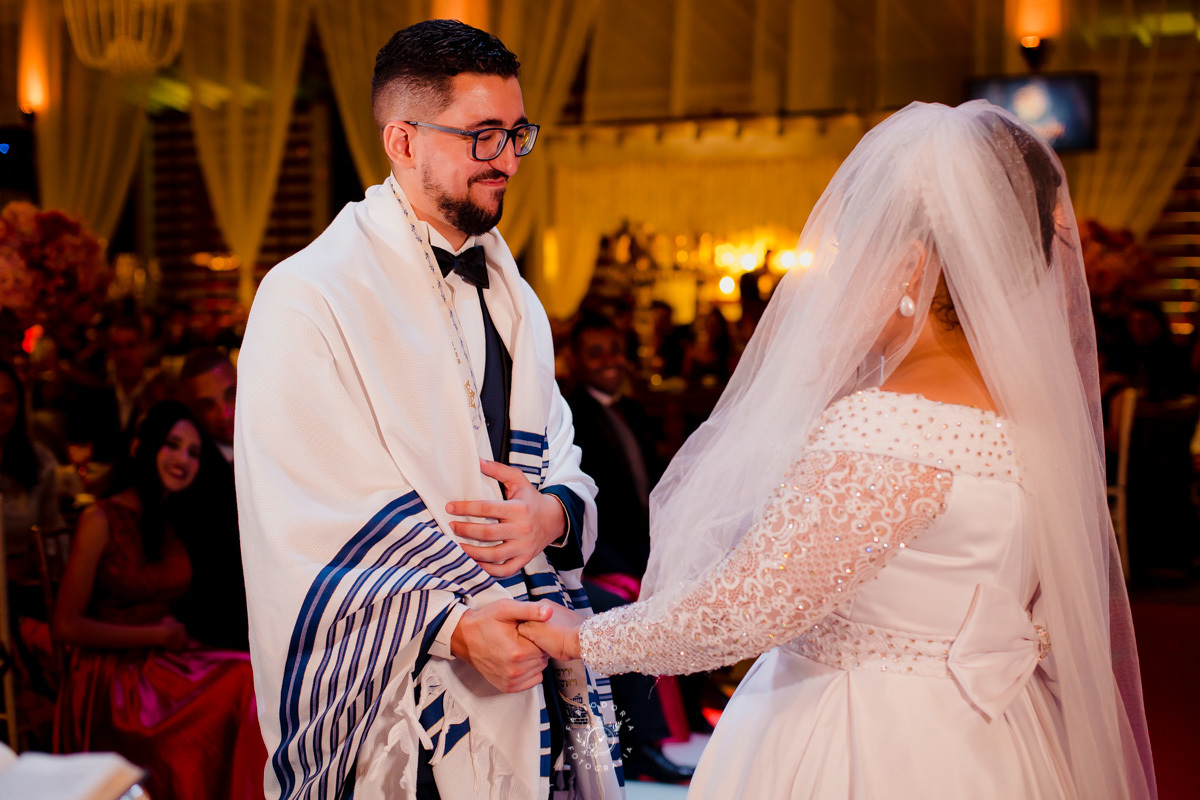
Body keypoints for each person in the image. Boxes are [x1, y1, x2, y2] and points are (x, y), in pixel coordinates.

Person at [520, 102, 1157, 799]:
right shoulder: (1032, 423)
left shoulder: (886, 427)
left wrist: (581, 638)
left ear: (911, 268)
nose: (835, 283)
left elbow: (750, 608)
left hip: (865, 736)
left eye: (853, 255)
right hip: (1001, 738)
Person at [235, 20, 620, 800]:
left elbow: (569, 462)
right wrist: (449, 626)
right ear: (402, 141)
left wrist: (551, 515)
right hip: (404, 695)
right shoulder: (308, 297)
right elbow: (300, 518)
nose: (509, 160)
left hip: (529, 663)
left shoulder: (518, 297)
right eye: (483, 136)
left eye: (517, 134)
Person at [52, 401, 266, 800]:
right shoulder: (100, 518)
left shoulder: (168, 520)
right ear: (144, 447)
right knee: (243, 685)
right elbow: (66, 625)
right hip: (110, 677)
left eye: (194, 452)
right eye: (173, 444)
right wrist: (155, 634)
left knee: (253, 677)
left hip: (157, 664)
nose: (183, 459)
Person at [565, 312, 694, 783]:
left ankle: (693, 713)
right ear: (576, 360)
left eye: (614, 349)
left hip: (642, 546)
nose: (609, 361)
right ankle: (643, 745)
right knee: (630, 605)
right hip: (599, 556)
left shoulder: (634, 410)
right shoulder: (570, 413)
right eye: (596, 352)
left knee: (689, 587)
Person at [176, 347, 249, 650]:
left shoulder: (277, 440)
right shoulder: (190, 475)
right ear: (193, 413)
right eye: (208, 405)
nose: (225, 413)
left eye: (231, 394)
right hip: (224, 630)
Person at [0, 360, 65, 582]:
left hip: (22, 584)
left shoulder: (38, 460)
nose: (0, 410)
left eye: (7, 400)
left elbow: (52, 528)